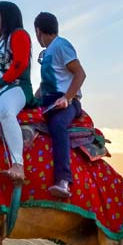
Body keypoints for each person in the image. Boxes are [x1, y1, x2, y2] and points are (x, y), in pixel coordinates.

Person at [0, 1, 35, 184]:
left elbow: (20, 64)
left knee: (5, 111)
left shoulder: (19, 35)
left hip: (16, 86)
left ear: (8, 15)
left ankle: (18, 164)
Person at [34, 12, 86, 199]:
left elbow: (80, 74)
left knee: (57, 125)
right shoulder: (47, 53)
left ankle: (63, 181)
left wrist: (67, 97)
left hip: (67, 102)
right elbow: (45, 84)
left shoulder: (62, 46)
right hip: (48, 101)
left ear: (38, 31)